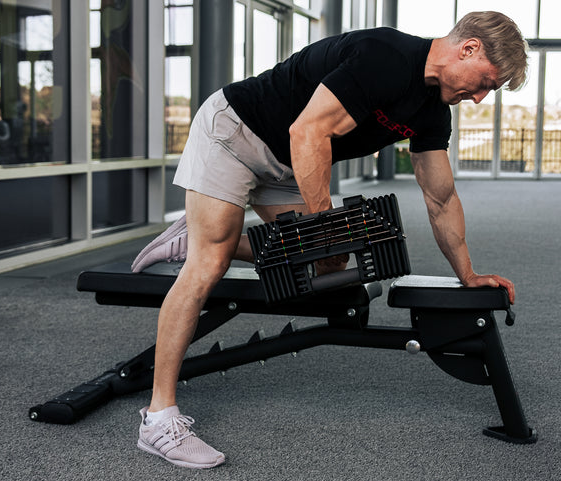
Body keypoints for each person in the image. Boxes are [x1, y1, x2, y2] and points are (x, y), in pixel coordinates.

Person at [132, 11, 527, 469]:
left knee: (330, 267)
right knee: (210, 263)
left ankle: (197, 234)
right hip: (237, 131)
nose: (478, 98)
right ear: (469, 48)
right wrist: (324, 232)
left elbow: (440, 198)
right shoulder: (385, 57)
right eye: (484, 83)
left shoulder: (432, 111)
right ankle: (158, 418)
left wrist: (468, 274)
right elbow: (309, 132)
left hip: (287, 161)